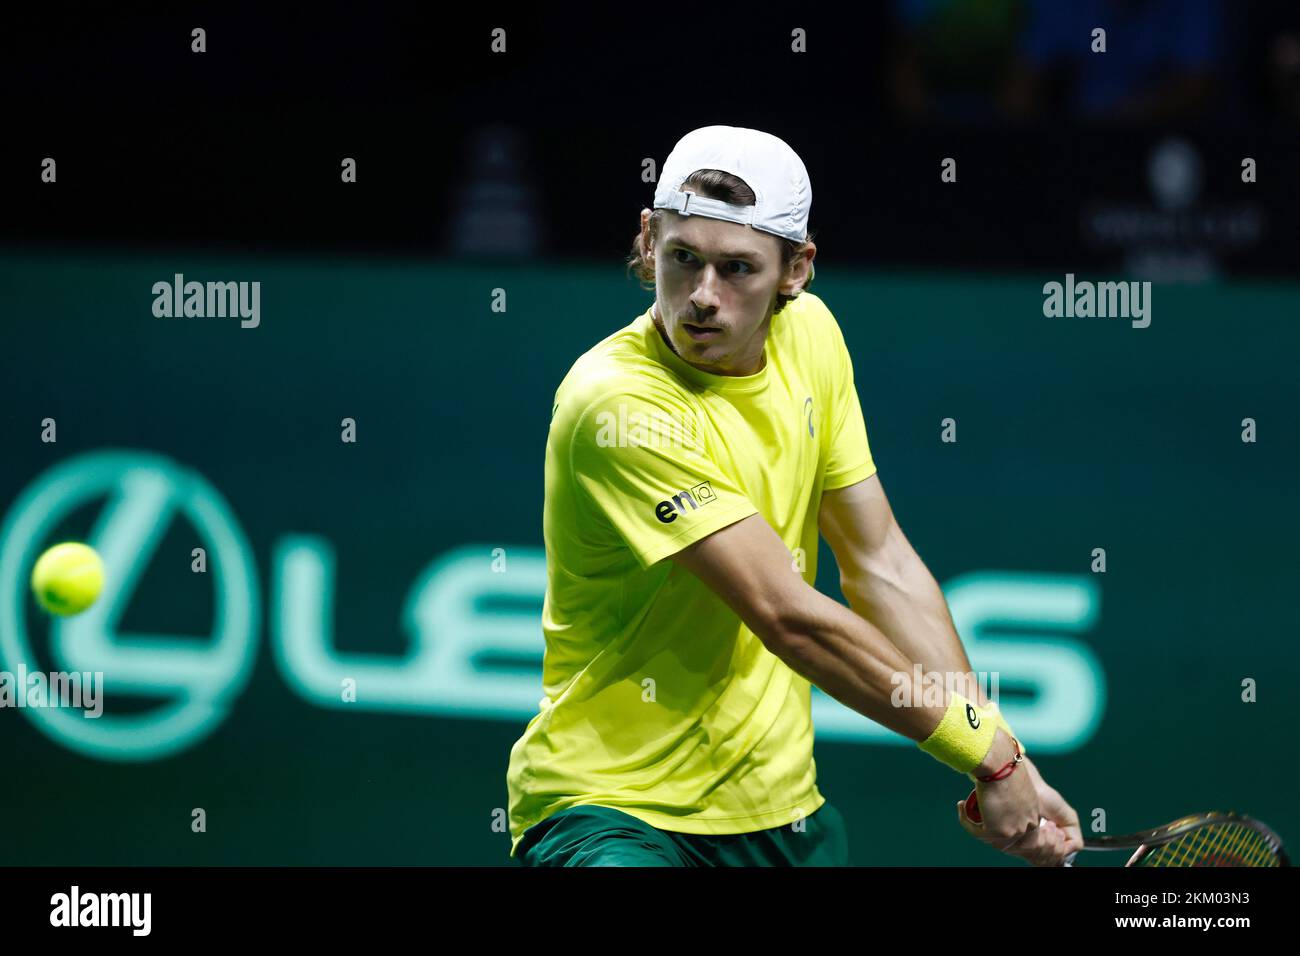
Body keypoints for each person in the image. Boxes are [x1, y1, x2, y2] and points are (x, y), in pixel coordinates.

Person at [505, 125, 1083, 866]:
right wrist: (987, 755)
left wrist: (1001, 750)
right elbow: (789, 616)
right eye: (683, 259)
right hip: (612, 814)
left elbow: (880, 564)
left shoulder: (811, 336)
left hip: (783, 821)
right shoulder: (616, 405)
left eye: (738, 269)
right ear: (648, 241)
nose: (703, 298)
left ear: (797, 269)